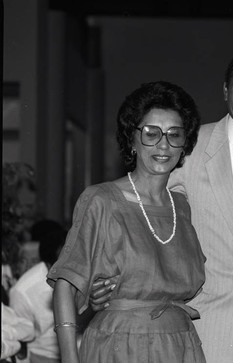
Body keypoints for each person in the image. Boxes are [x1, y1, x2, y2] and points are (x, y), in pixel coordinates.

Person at [90, 47, 233, 362]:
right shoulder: (187, 146)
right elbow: (141, 211)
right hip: (210, 327)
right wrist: (110, 276)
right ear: (225, 90)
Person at [47, 81, 206, 363]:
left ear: (185, 144)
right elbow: (65, 284)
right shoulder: (102, 200)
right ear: (131, 140)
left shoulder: (181, 206)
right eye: (151, 133)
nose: (163, 145)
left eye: (174, 134)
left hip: (181, 346)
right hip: (120, 346)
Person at [9, 221, 67, 363]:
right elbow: (19, 341)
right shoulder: (24, 291)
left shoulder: (88, 273)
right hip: (45, 357)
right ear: (49, 265)